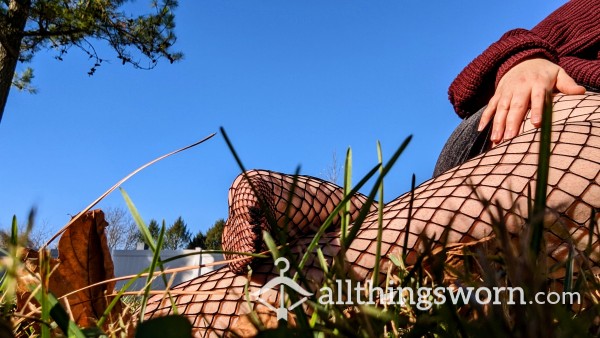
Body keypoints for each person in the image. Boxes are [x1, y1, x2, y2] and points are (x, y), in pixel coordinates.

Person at [144, 1, 600, 336]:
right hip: (531, 128)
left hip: (526, 156)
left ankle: (339, 218)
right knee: (408, 256)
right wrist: (526, 60)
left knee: (385, 252)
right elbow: (485, 68)